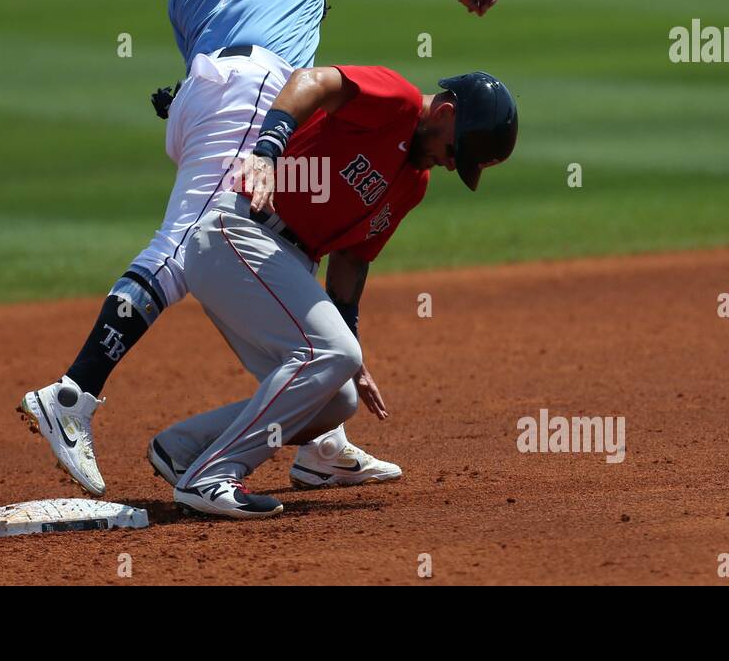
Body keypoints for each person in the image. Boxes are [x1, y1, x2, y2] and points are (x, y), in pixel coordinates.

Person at [19, 0, 500, 497]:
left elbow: (206, 57)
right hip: (255, 90)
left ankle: (323, 446)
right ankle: (75, 393)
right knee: (186, 244)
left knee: (241, 260)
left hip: (199, 96)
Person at [154, 64, 518, 518]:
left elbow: (351, 261)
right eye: (453, 151)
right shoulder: (398, 102)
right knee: (333, 354)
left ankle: (183, 447)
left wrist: (354, 353)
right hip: (239, 232)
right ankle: (213, 475)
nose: (449, 164)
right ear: (444, 112)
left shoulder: (414, 183)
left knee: (336, 397)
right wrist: (267, 150)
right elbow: (315, 82)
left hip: (278, 263)